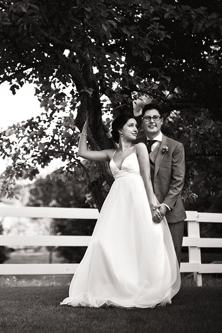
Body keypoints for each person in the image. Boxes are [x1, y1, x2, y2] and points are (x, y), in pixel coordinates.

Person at [60, 114, 180, 308]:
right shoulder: (111, 153)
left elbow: (146, 178)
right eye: (130, 125)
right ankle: (114, 287)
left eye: (135, 126)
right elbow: (82, 152)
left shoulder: (139, 148)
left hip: (139, 198)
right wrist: (84, 129)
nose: (135, 129)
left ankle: (144, 287)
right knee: (103, 242)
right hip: (117, 202)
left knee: (145, 240)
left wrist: (152, 205)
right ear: (119, 130)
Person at [140, 104, 186, 264]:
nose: (151, 121)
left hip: (171, 211)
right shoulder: (135, 147)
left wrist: (164, 206)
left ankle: (172, 290)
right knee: (146, 257)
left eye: (155, 117)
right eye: (147, 118)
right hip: (143, 210)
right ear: (142, 121)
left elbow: (178, 181)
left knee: (172, 257)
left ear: (161, 121)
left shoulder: (175, 147)